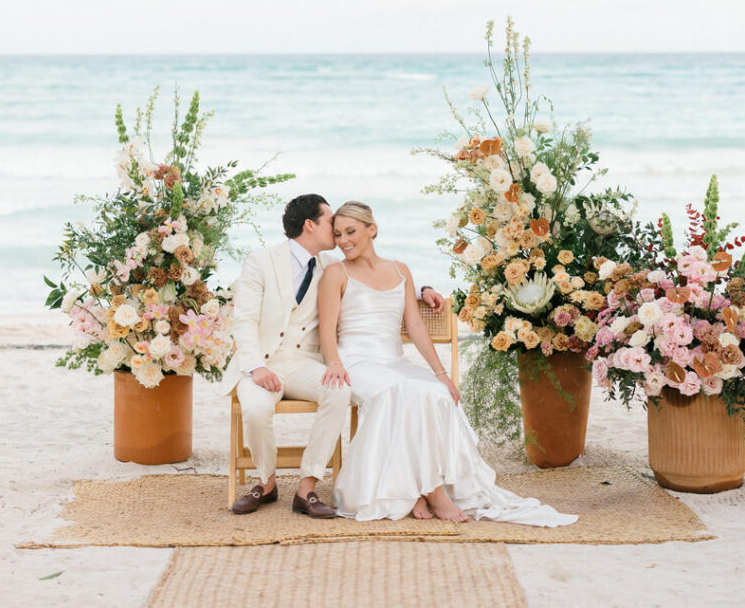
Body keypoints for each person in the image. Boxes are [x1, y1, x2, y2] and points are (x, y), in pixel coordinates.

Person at [318, 201, 578, 527]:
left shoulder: (400, 270)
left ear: (372, 229)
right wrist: (335, 362)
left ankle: (418, 489)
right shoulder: (335, 272)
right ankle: (433, 490)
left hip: (392, 360)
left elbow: (414, 326)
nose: (343, 240)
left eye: (351, 232)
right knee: (399, 391)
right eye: (338, 234)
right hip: (356, 362)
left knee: (436, 394)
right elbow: (327, 328)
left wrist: (440, 373)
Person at [221, 194, 444, 517]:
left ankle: (306, 488)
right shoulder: (261, 261)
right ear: (310, 225)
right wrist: (256, 366)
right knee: (255, 409)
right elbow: (243, 320)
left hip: (303, 364)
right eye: (331, 224)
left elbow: (374, 277)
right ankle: (266, 483)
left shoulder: (330, 266)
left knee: (339, 390)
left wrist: (424, 289)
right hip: (262, 363)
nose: (338, 234)